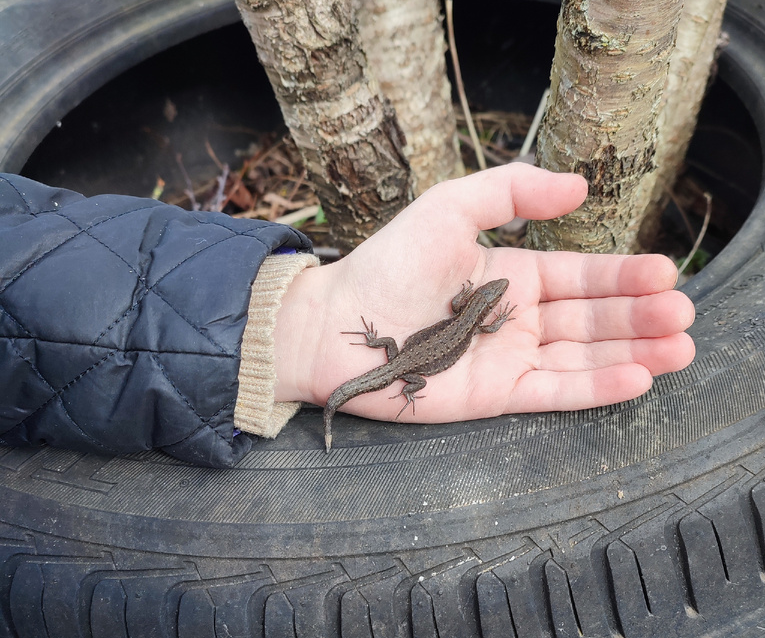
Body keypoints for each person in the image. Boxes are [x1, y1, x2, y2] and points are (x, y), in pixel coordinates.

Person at [0, 163, 695, 466]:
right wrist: (474, 332)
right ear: (484, 304)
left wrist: (319, 326)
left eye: (488, 302)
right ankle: (350, 393)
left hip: (404, 356)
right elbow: (469, 318)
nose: (487, 302)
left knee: (395, 361)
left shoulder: (469, 313)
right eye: (488, 301)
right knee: (397, 367)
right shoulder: (475, 318)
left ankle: (350, 385)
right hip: (407, 363)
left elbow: (464, 312)